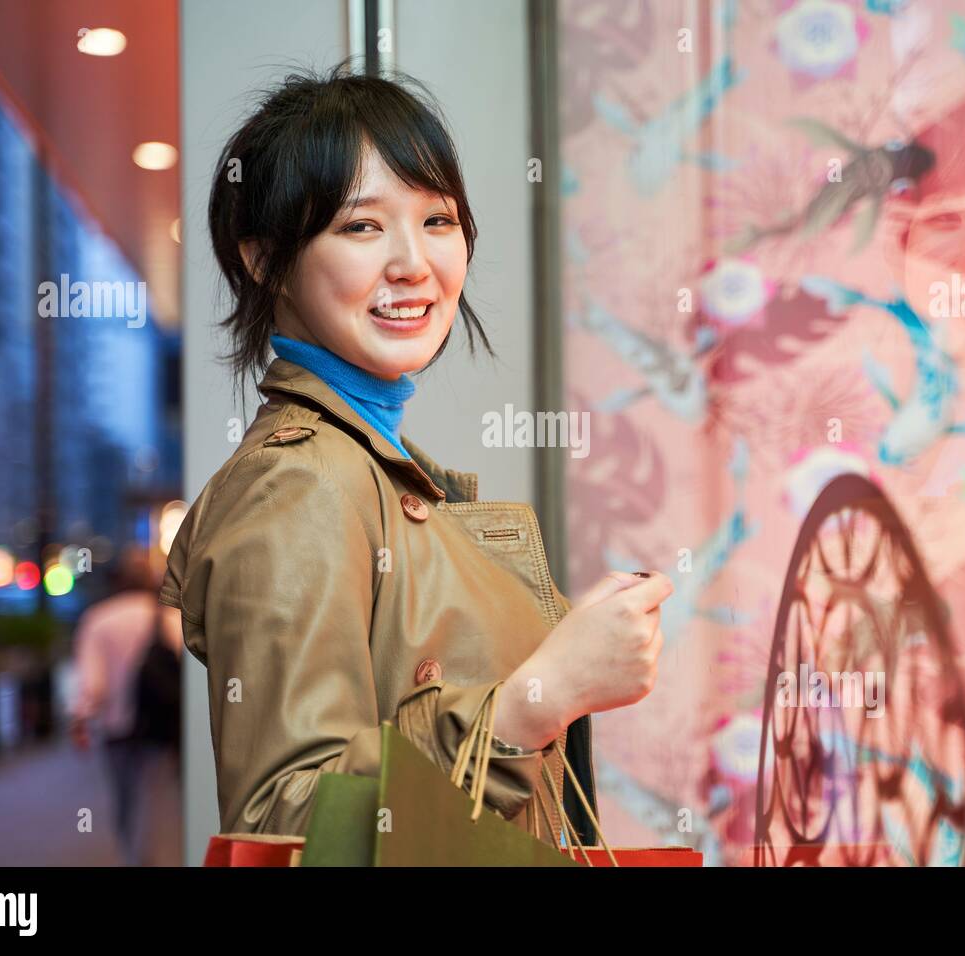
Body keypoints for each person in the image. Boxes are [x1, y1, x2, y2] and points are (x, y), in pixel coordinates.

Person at [160, 60, 673, 847]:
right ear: (263, 260)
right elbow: (279, 821)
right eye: (361, 226)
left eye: (437, 220)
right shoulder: (295, 484)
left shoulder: (379, 467)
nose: (413, 262)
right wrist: (541, 694)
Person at [70, 545, 182, 865]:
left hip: (116, 727)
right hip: (159, 727)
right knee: (154, 796)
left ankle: (131, 855)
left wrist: (80, 721)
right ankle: (146, 857)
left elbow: (93, 685)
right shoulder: (170, 618)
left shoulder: (99, 619)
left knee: (124, 798)